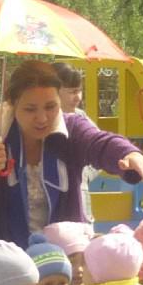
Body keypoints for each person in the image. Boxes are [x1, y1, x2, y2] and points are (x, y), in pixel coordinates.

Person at [0, 60, 143, 248]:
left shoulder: (72, 127)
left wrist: (129, 153)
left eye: (50, 107)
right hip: (9, 262)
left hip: (65, 259)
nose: (42, 118)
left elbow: (100, 142)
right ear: (12, 105)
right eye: (30, 109)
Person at [52, 62, 97, 224]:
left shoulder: (81, 118)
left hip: (78, 199)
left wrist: (83, 173)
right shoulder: (42, 120)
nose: (77, 97)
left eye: (79, 91)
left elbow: (97, 150)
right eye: (72, 92)